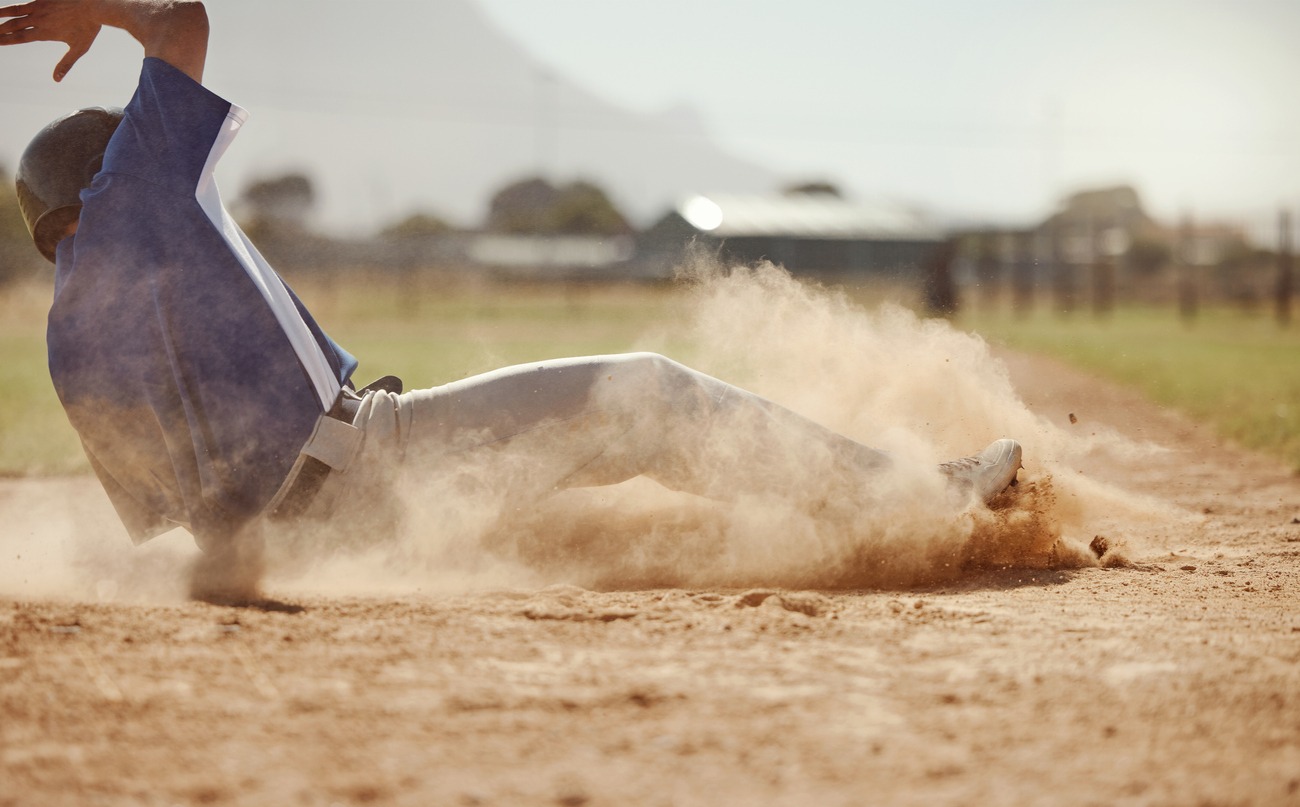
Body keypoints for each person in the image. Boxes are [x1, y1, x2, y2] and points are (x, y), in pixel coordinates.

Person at [2, 0, 1022, 599]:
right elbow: (183, 18)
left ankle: (841, 525)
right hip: (369, 466)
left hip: (298, 541)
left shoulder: (66, 343)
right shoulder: (132, 190)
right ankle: (920, 503)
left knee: (562, 490)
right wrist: (108, 10)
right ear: (94, 181)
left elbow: (178, 512)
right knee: (647, 393)